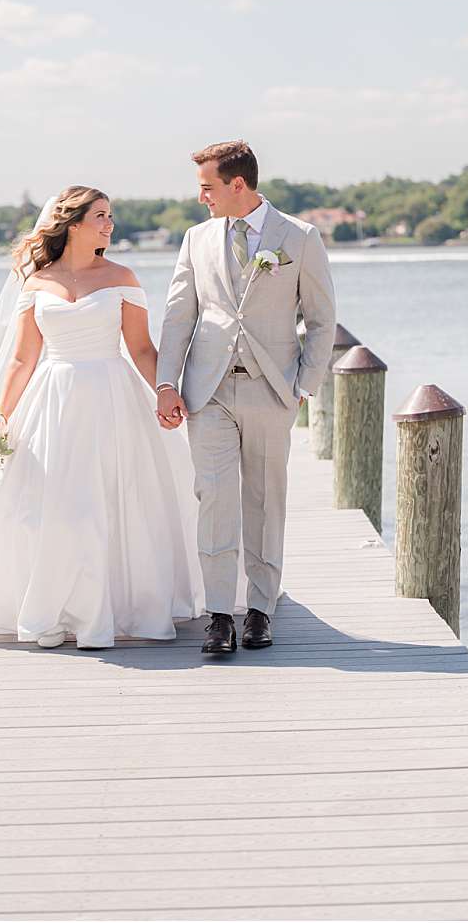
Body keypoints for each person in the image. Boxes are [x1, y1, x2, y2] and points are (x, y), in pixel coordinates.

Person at [0, 186, 204, 649]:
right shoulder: (37, 284)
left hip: (112, 398)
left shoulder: (122, 276)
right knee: (53, 507)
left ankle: (108, 612)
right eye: (101, 216)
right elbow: (22, 360)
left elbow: (142, 348)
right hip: (52, 402)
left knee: (110, 502)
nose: (110, 224)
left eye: (110, 216)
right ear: (74, 223)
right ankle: (53, 611)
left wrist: (165, 391)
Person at [155, 140, 337, 656]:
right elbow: (178, 317)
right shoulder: (196, 239)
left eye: (207, 187)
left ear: (238, 184)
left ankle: (260, 608)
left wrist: (304, 385)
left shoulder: (299, 237)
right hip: (207, 390)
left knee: (263, 499)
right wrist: (168, 382)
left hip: (272, 388)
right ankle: (218, 614)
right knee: (213, 497)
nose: (201, 198)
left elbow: (323, 321)